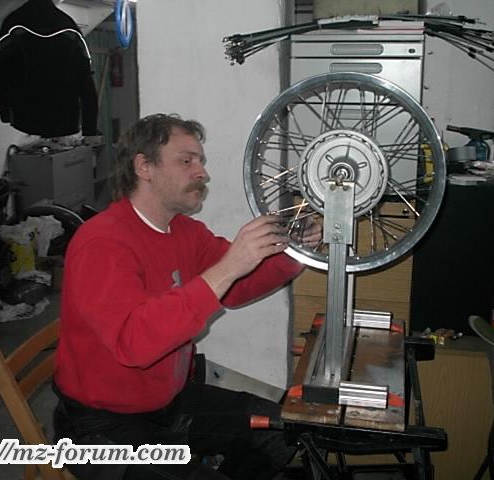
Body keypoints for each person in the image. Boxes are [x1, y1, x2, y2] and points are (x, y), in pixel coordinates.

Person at [53, 113, 321, 479]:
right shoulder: (102, 243)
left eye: (201, 161)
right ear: (144, 167)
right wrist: (228, 267)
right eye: (186, 161)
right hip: (102, 427)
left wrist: (294, 252)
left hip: (168, 403)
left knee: (283, 431)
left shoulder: (183, 231)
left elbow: (237, 287)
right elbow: (134, 343)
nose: (202, 173)